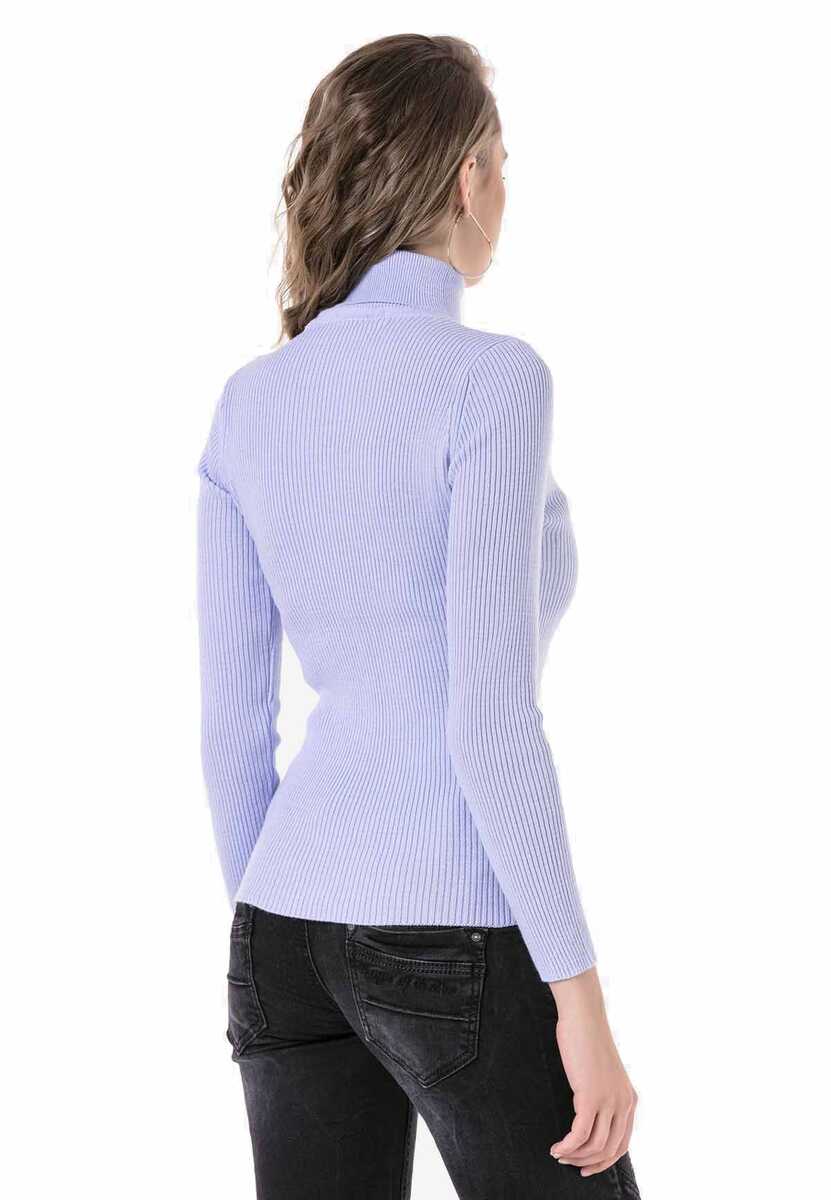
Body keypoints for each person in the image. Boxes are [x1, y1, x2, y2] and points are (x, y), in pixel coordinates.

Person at [196, 33, 640, 1199]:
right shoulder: (493, 381)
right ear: (468, 178)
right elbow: (488, 721)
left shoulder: (250, 402)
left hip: (278, 928)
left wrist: (297, 941)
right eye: (504, 160)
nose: (507, 189)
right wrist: (579, 999)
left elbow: (230, 733)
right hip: (454, 926)